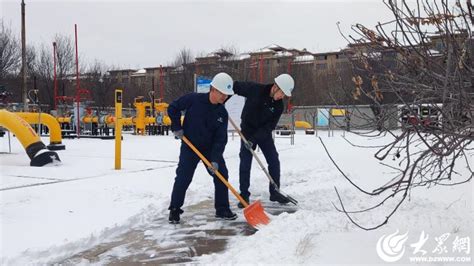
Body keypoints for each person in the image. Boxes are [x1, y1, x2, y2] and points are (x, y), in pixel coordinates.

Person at [167, 72, 237, 224]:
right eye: (223, 94)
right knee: (183, 177)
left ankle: (222, 209)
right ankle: (174, 209)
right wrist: (177, 127)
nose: (225, 98)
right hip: (190, 145)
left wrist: (215, 159)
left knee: (221, 175)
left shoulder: (222, 113)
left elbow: (220, 139)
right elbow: (173, 108)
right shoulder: (193, 99)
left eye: (227, 95)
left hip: (210, 149)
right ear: (214, 90)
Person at [233, 74, 295, 208]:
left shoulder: (279, 106)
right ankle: (244, 194)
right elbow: (235, 87)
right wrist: (222, 94)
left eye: (284, 94)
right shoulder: (255, 89)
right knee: (245, 162)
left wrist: (254, 140)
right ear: (275, 86)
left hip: (263, 134)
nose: (282, 97)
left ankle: (275, 192)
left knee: (273, 160)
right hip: (247, 131)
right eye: (282, 93)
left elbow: (269, 127)